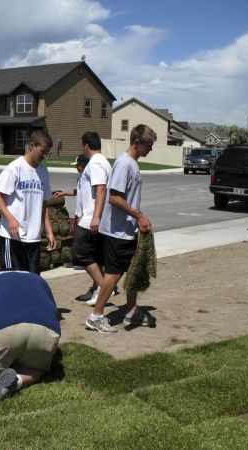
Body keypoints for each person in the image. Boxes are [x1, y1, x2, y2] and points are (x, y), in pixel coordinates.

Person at [0, 270, 61, 425]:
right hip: (45, 331)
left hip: (2, 330)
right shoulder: (37, 278)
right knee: (35, 370)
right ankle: (16, 381)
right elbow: (53, 310)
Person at [85, 124, 156, 333]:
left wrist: (137, 221)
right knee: (114, 274)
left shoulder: (132, 164)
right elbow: (114, 198)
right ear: (136, 142)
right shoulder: (124, 164)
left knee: (133, 271)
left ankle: (132, 310)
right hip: (117, 231)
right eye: (148, 145)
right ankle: (96, 316)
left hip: (128, 230)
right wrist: (139, 216)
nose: (150, 149)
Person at [0, 129, 56, 274]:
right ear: (31, 146)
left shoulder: (43, 171)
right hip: (13, 236)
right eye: (42, 151)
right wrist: (11, 219)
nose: (45, 156)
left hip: (33, 236)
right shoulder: (15, 168)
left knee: (32, 280)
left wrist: (49, 231)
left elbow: (44, 204)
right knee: (11, 279)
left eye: (47, 153)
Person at [72, 132, 112, 305]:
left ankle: (104, 289)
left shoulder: (95, 163)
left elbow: (100, 189)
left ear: (86, 146)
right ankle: (97, 289)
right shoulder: (104, 162)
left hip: (92, 218)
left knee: (80, 252)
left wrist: (95, 216)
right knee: (97, 256)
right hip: (96, 216)